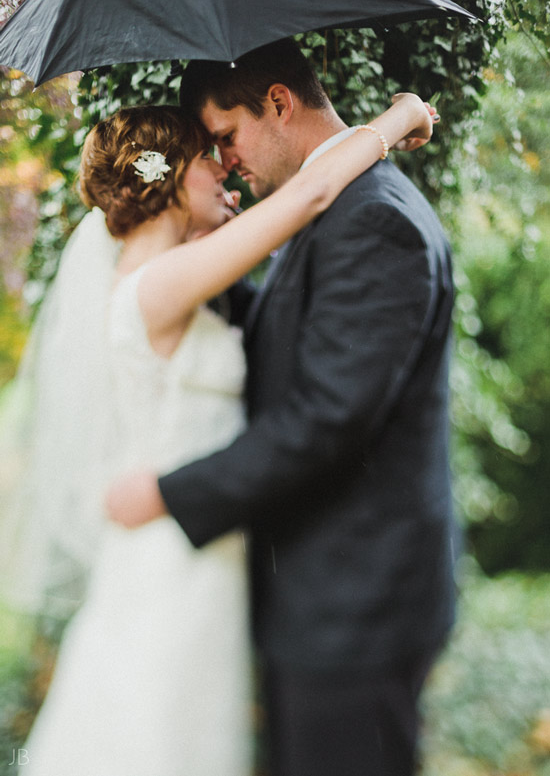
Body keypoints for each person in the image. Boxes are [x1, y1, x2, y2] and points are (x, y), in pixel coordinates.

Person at [1, 94, 434, 776]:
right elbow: (316, 190)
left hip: (203, 554)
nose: (223, 171)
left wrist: (198, 235)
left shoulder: (168, 279)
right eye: (207, 158)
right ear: (168, 176)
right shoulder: (159, 285)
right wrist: (402, 114)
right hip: (175, 560)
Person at [107, 39, 457, 776]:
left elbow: (328, 418)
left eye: (226, 137)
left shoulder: (372, 219)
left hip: (356, 608)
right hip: (310, 600)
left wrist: (170, 494)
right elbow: (274, 331)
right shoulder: (325, 217)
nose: (225, 159)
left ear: (277, 103)